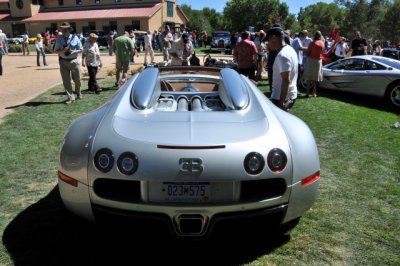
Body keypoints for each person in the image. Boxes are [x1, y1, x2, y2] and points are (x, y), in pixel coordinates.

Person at [266, 26, 298, 111]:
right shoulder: (290, 49)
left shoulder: (282, 55)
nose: (267, 43)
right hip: (290, 95)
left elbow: (286, 79)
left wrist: (281, 102)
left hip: (281, 98)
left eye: (268, 40)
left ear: (274, 38)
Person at [54, 22, 83, 104]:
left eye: (65, 29)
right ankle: (70, 97)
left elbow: (81, 49)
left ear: (69, 29)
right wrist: (62, 50)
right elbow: (55, 51)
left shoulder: (75, 37)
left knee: (77, 80)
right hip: (63, 61)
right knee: (66, 81)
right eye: (62, 29)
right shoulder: (59, 38)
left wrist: (73, 51)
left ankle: (78, 92)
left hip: (74, 61)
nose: (64, 30)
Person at [303, 31, 324, 97]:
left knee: (309, 77)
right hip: (318, 61)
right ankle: (314, 93)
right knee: (315, 78)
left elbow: (307, 53)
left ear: (315, 35)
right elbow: (322, 52)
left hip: (311, 60)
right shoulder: (322, 43)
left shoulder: (312, 43)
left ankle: (307, 93)